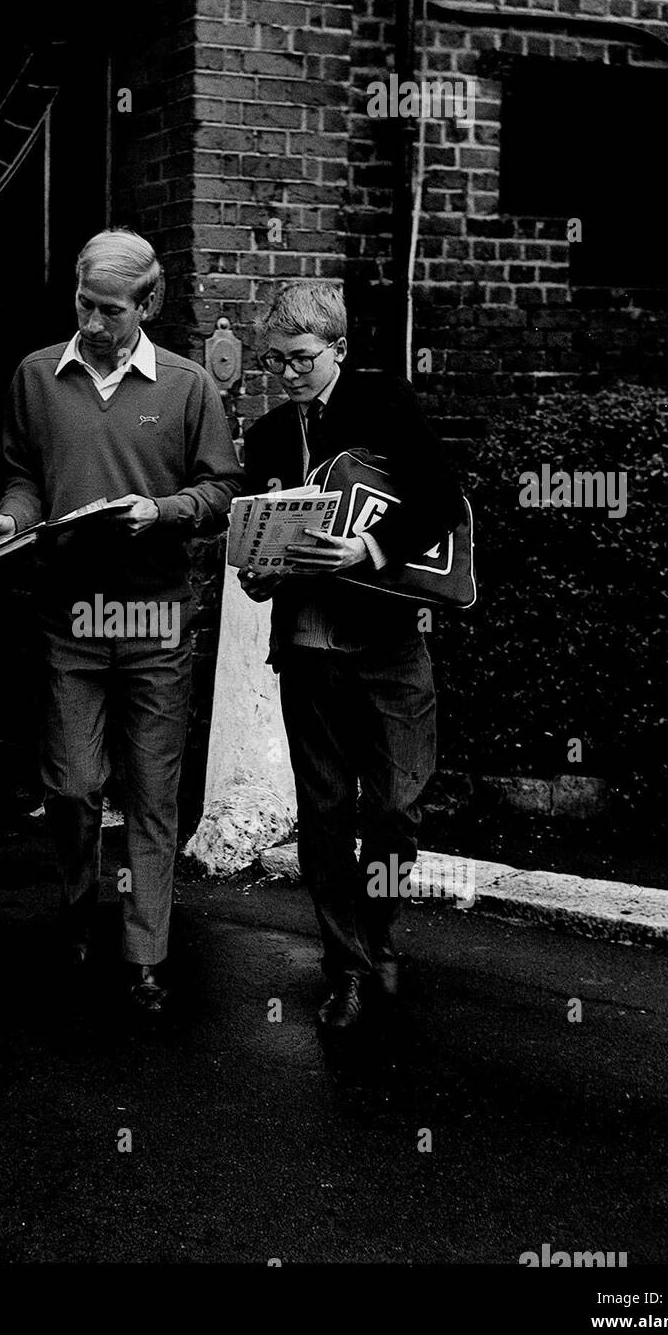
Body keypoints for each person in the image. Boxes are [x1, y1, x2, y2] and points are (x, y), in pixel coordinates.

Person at [0, 229, 242, 1013]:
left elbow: (222, 489)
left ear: (147, 306)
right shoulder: (34, 376)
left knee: (154, 794)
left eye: (110, 311)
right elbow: (22, 474)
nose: (92, 322)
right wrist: (6, 522)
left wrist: (162, 511)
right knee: (74, 785)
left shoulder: (189, 387)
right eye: (84, 305)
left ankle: (145, 953)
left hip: (158, 621)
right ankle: (76, 905)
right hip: (69, 618)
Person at [239, 281, 464, 1034]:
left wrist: (367, 547)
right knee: (326, 814)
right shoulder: (269, 434)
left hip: (389, 641)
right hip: (306, 647)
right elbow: (254, 540)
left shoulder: (383, 402)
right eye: (276, 361)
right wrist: (258, 569)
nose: (288, 374)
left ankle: (374, 931)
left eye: (302, 359)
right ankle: (347, 967)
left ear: (337, 349)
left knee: (397, 808)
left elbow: (440, 495)